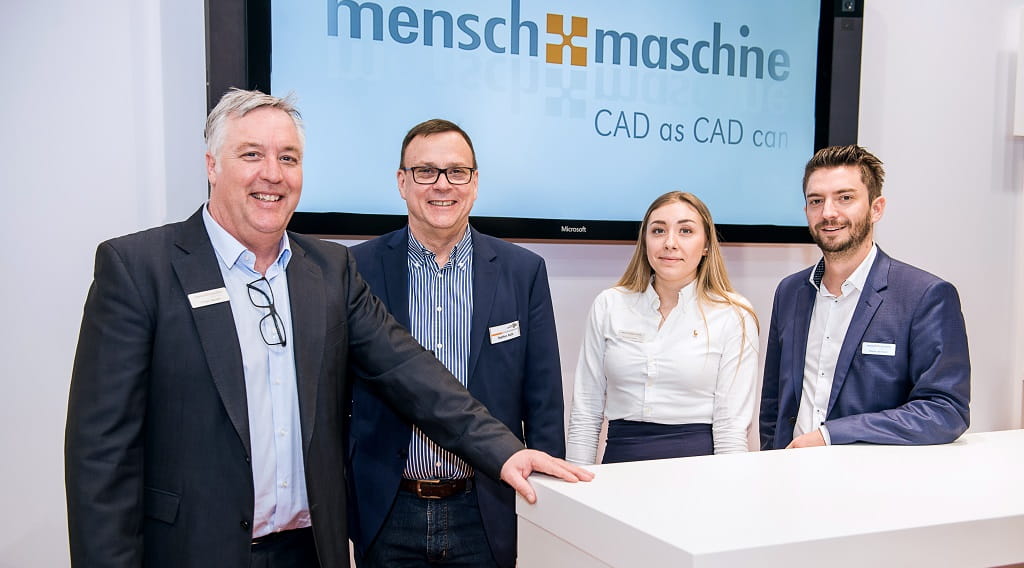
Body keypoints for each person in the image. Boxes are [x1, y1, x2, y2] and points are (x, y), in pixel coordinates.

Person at [64, 89, 591, 568]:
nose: (273, 174)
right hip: (193, 551)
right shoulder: (139, 269)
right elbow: (101, 456)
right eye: (252, 155)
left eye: (288, 158)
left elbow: (410, 372)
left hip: (310, 551)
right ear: (211, 165)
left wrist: (504, 449)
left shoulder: (328, 270)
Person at [346, 119, 564, 568]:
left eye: (457, 172)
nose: (442, 185)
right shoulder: (355, 268)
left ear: (475, 183)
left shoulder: (523, 272)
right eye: (425, 171)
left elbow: (543, 400)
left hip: (486, 509)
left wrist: (547, 503)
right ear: (402, 182)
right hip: (387, 510)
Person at [759, 144, 971, 450]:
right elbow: (773, 404)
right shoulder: (790, 292)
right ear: (806, 211)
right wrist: (771, 461)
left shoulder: (925, 296)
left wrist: (831, 435)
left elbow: (945, 411)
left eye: (845, 198)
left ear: (876, 208)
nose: (828, 213)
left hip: (872, 475)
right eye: (816, 201)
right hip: (790, 470)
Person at [566, 191, 759, 464]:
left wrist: (730, 486)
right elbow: (585, 412)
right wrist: (576, 478)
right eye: (658, 230)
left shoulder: (734, 314)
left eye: (685, 231)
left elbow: (731, 428)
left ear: (706, 245)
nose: (670, 243)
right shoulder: (609, 305)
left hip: (699, 469)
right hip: (620, 466)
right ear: (645, 241)